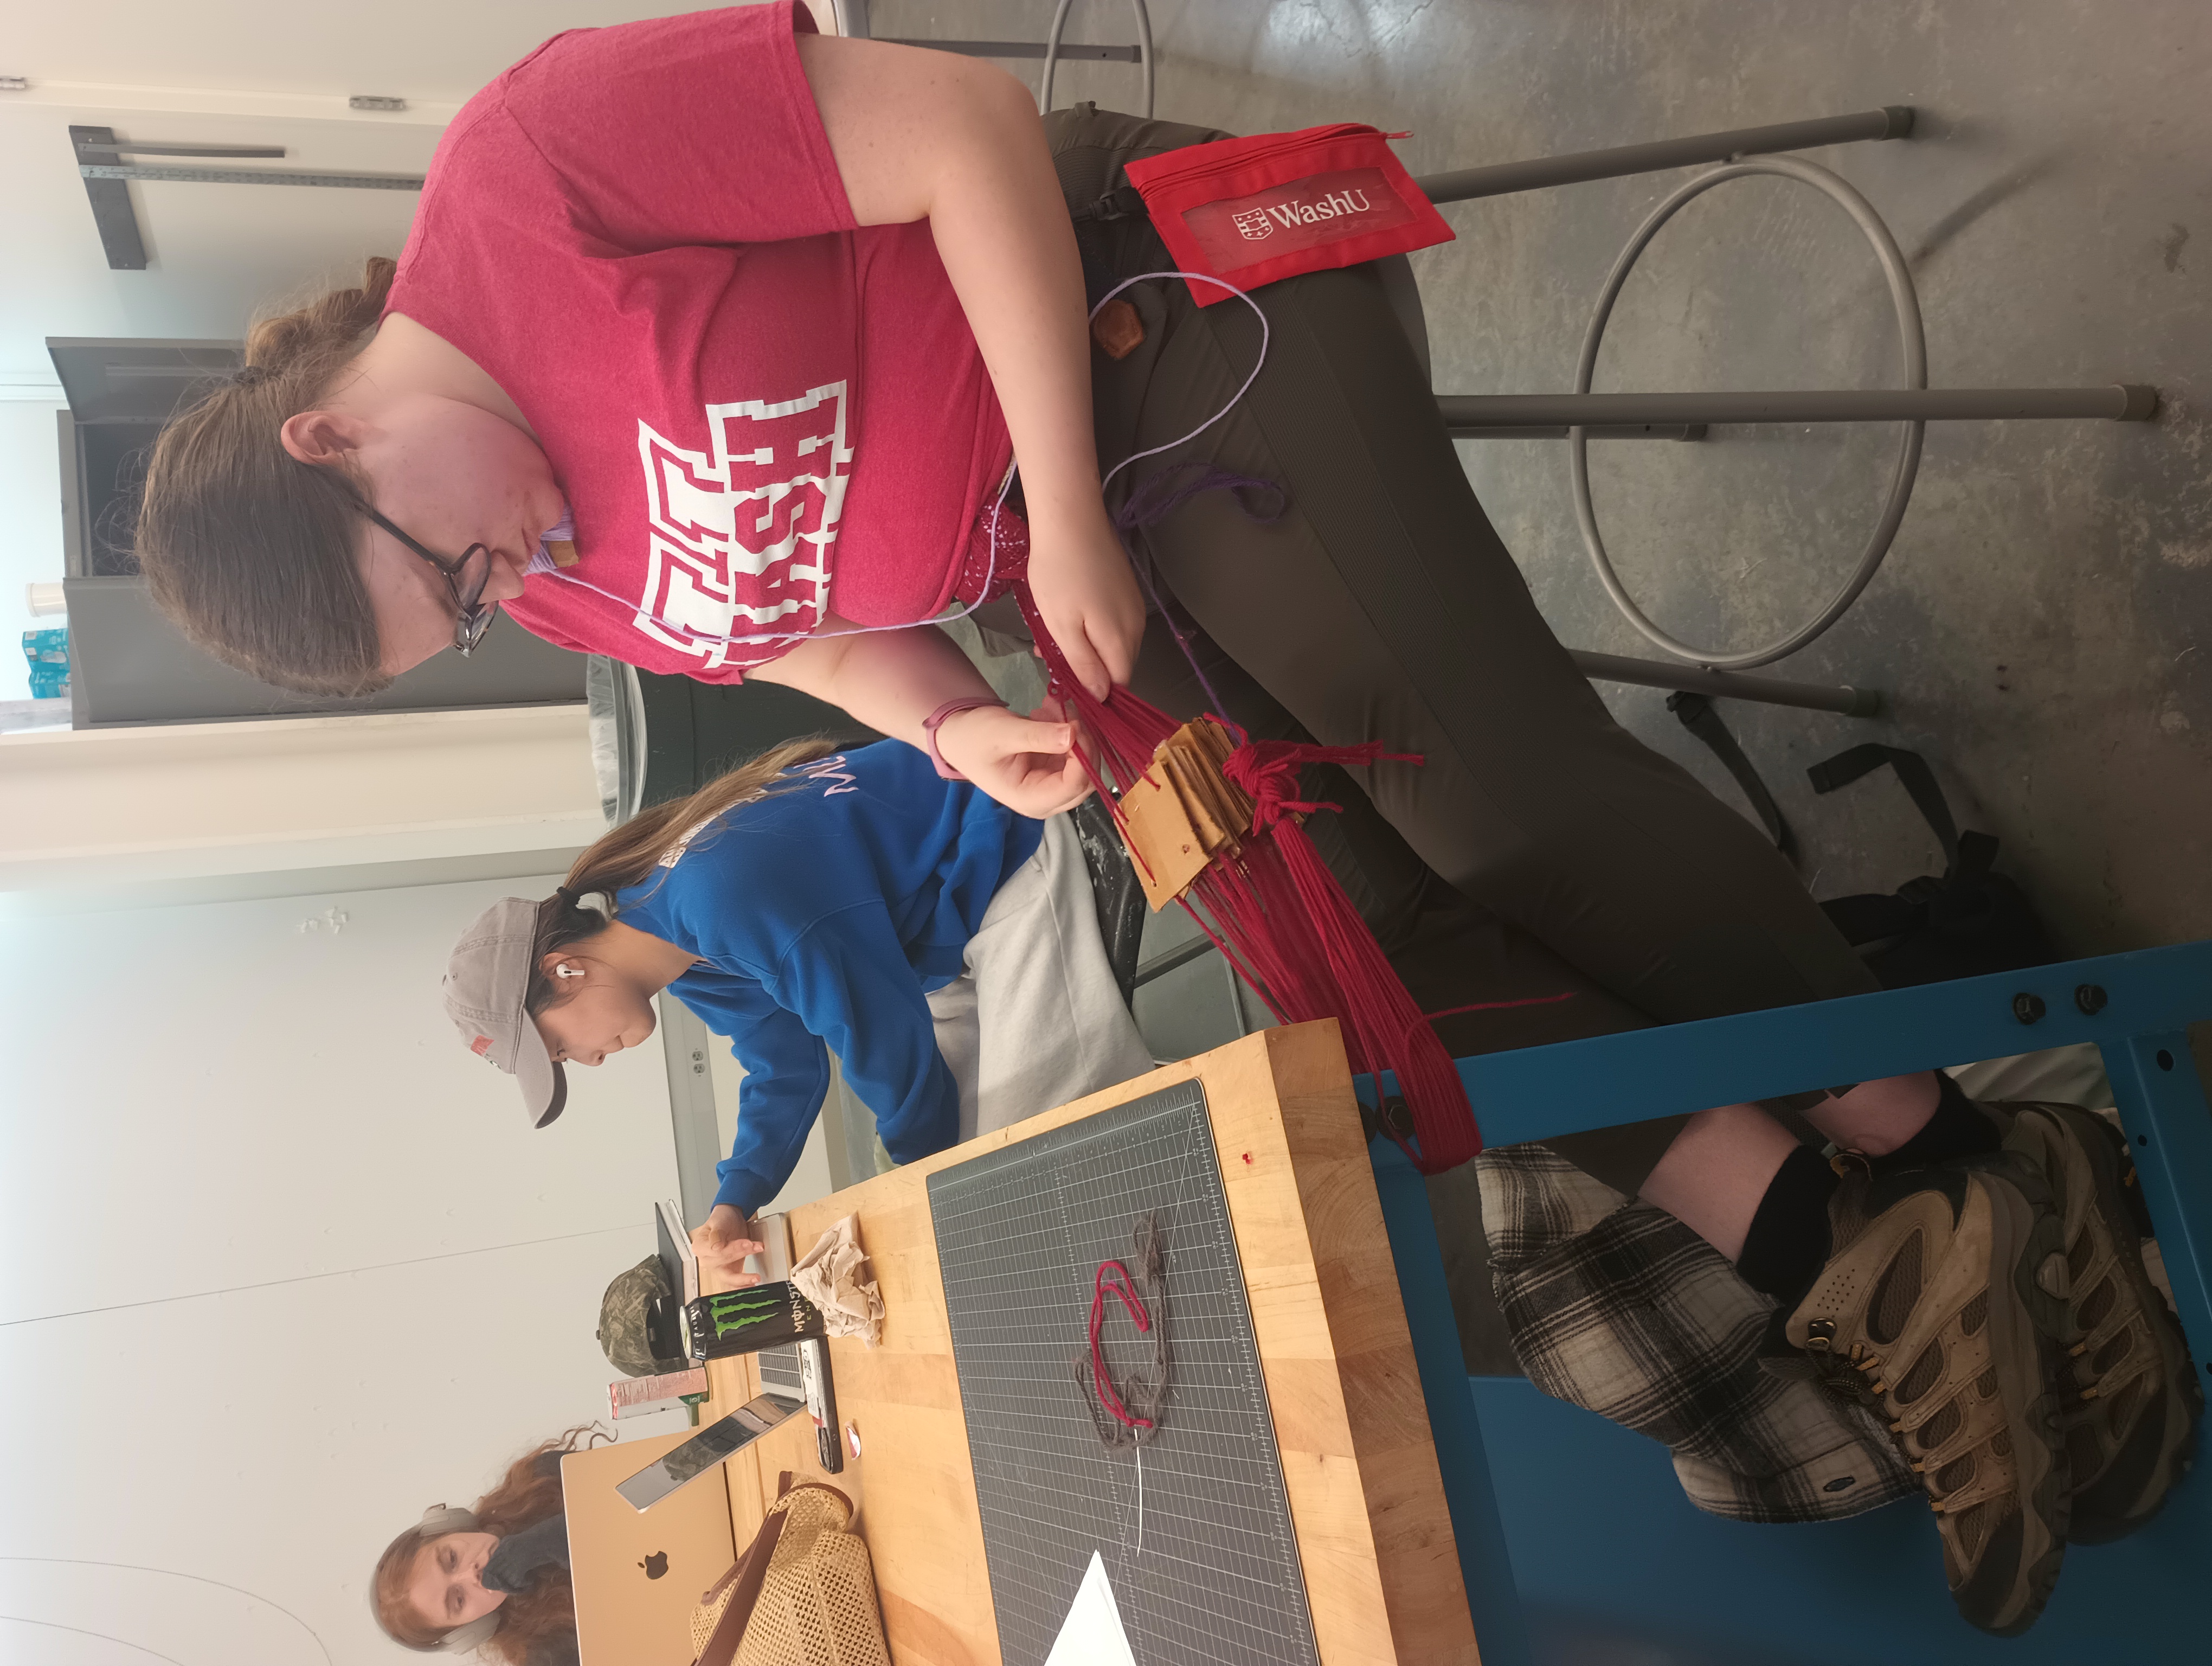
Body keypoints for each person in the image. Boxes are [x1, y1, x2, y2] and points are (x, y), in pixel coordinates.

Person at [133, 8, 2190, 1632]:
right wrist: (957, 734)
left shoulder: (536, 168)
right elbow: (813, 641)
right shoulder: (555, 555)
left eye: (455, 573)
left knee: (1484, 810)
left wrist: (1066, 513)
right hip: (1059, 563)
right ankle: (1860, 1237)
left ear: (333, 439)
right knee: (1358, 967)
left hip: (1147, 334)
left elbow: (958, 134)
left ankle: (1943, 1147)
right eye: (474, 616)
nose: (515, 583)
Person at [440, 734, 1153, 1283]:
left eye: (563, 1048)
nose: (589, 1061)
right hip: (942, 943)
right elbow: (785, 1069)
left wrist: (917, 1184)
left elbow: (880, 1034)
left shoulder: (719, 899)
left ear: (562, 970)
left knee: (1022, 1172)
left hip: (1010, 857)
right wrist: (733, 1202)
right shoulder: (672, 936)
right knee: (969, 1169)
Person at [371, 1426, 604, 1663]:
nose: (471, 1575)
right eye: (459, 1600)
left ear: (450, 1527)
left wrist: (541, 1544)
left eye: (452, 1559)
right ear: (471, 1629)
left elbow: (637, 1480)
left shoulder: (541, 1478)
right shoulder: (548, 1656)